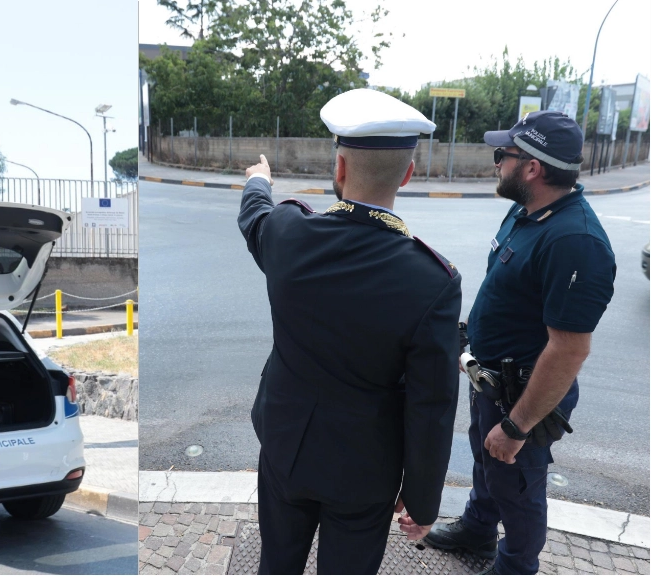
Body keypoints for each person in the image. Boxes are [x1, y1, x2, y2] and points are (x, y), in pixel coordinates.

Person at [237, 88, 462, 575]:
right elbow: (432, 407)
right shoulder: (433, 281)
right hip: (365, 470)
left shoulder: (289, 235)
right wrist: (422, 503)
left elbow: (254, 216)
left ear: (338, 168)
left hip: (285, 448)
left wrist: (259, 180)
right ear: (408, 173)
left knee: (275, 566)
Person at [424, 111, 615, 575]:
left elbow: (569, 350)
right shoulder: (526, 210)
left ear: (532, 167)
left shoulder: (577, 242)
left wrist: (516, 427)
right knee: (486, 462)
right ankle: (478, 529)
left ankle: (515, 566)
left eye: (502, 155)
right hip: (492, 379)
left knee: (517, 483)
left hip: (525, 396)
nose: (496, 164)